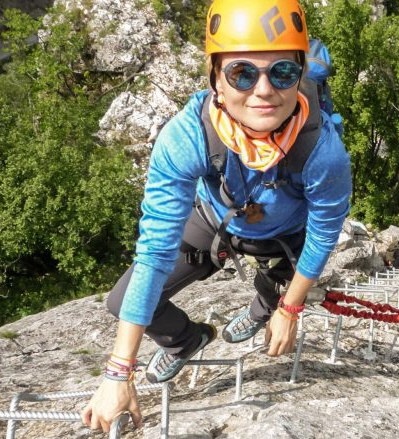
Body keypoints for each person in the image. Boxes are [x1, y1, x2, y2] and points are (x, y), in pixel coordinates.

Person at [81, 0, 351, 432]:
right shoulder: (187, 136)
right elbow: (154, 251)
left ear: (300, 76)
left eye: (282, 72)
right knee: (124, 301)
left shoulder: (323, 153)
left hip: (284, 237)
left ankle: (263, 307)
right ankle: (187, 339)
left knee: (272, 296)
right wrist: (118, 372)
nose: (264, 90)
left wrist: (289, 308)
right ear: (216, 80)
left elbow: (323, 233)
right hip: (214, 220)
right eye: (242, 73)